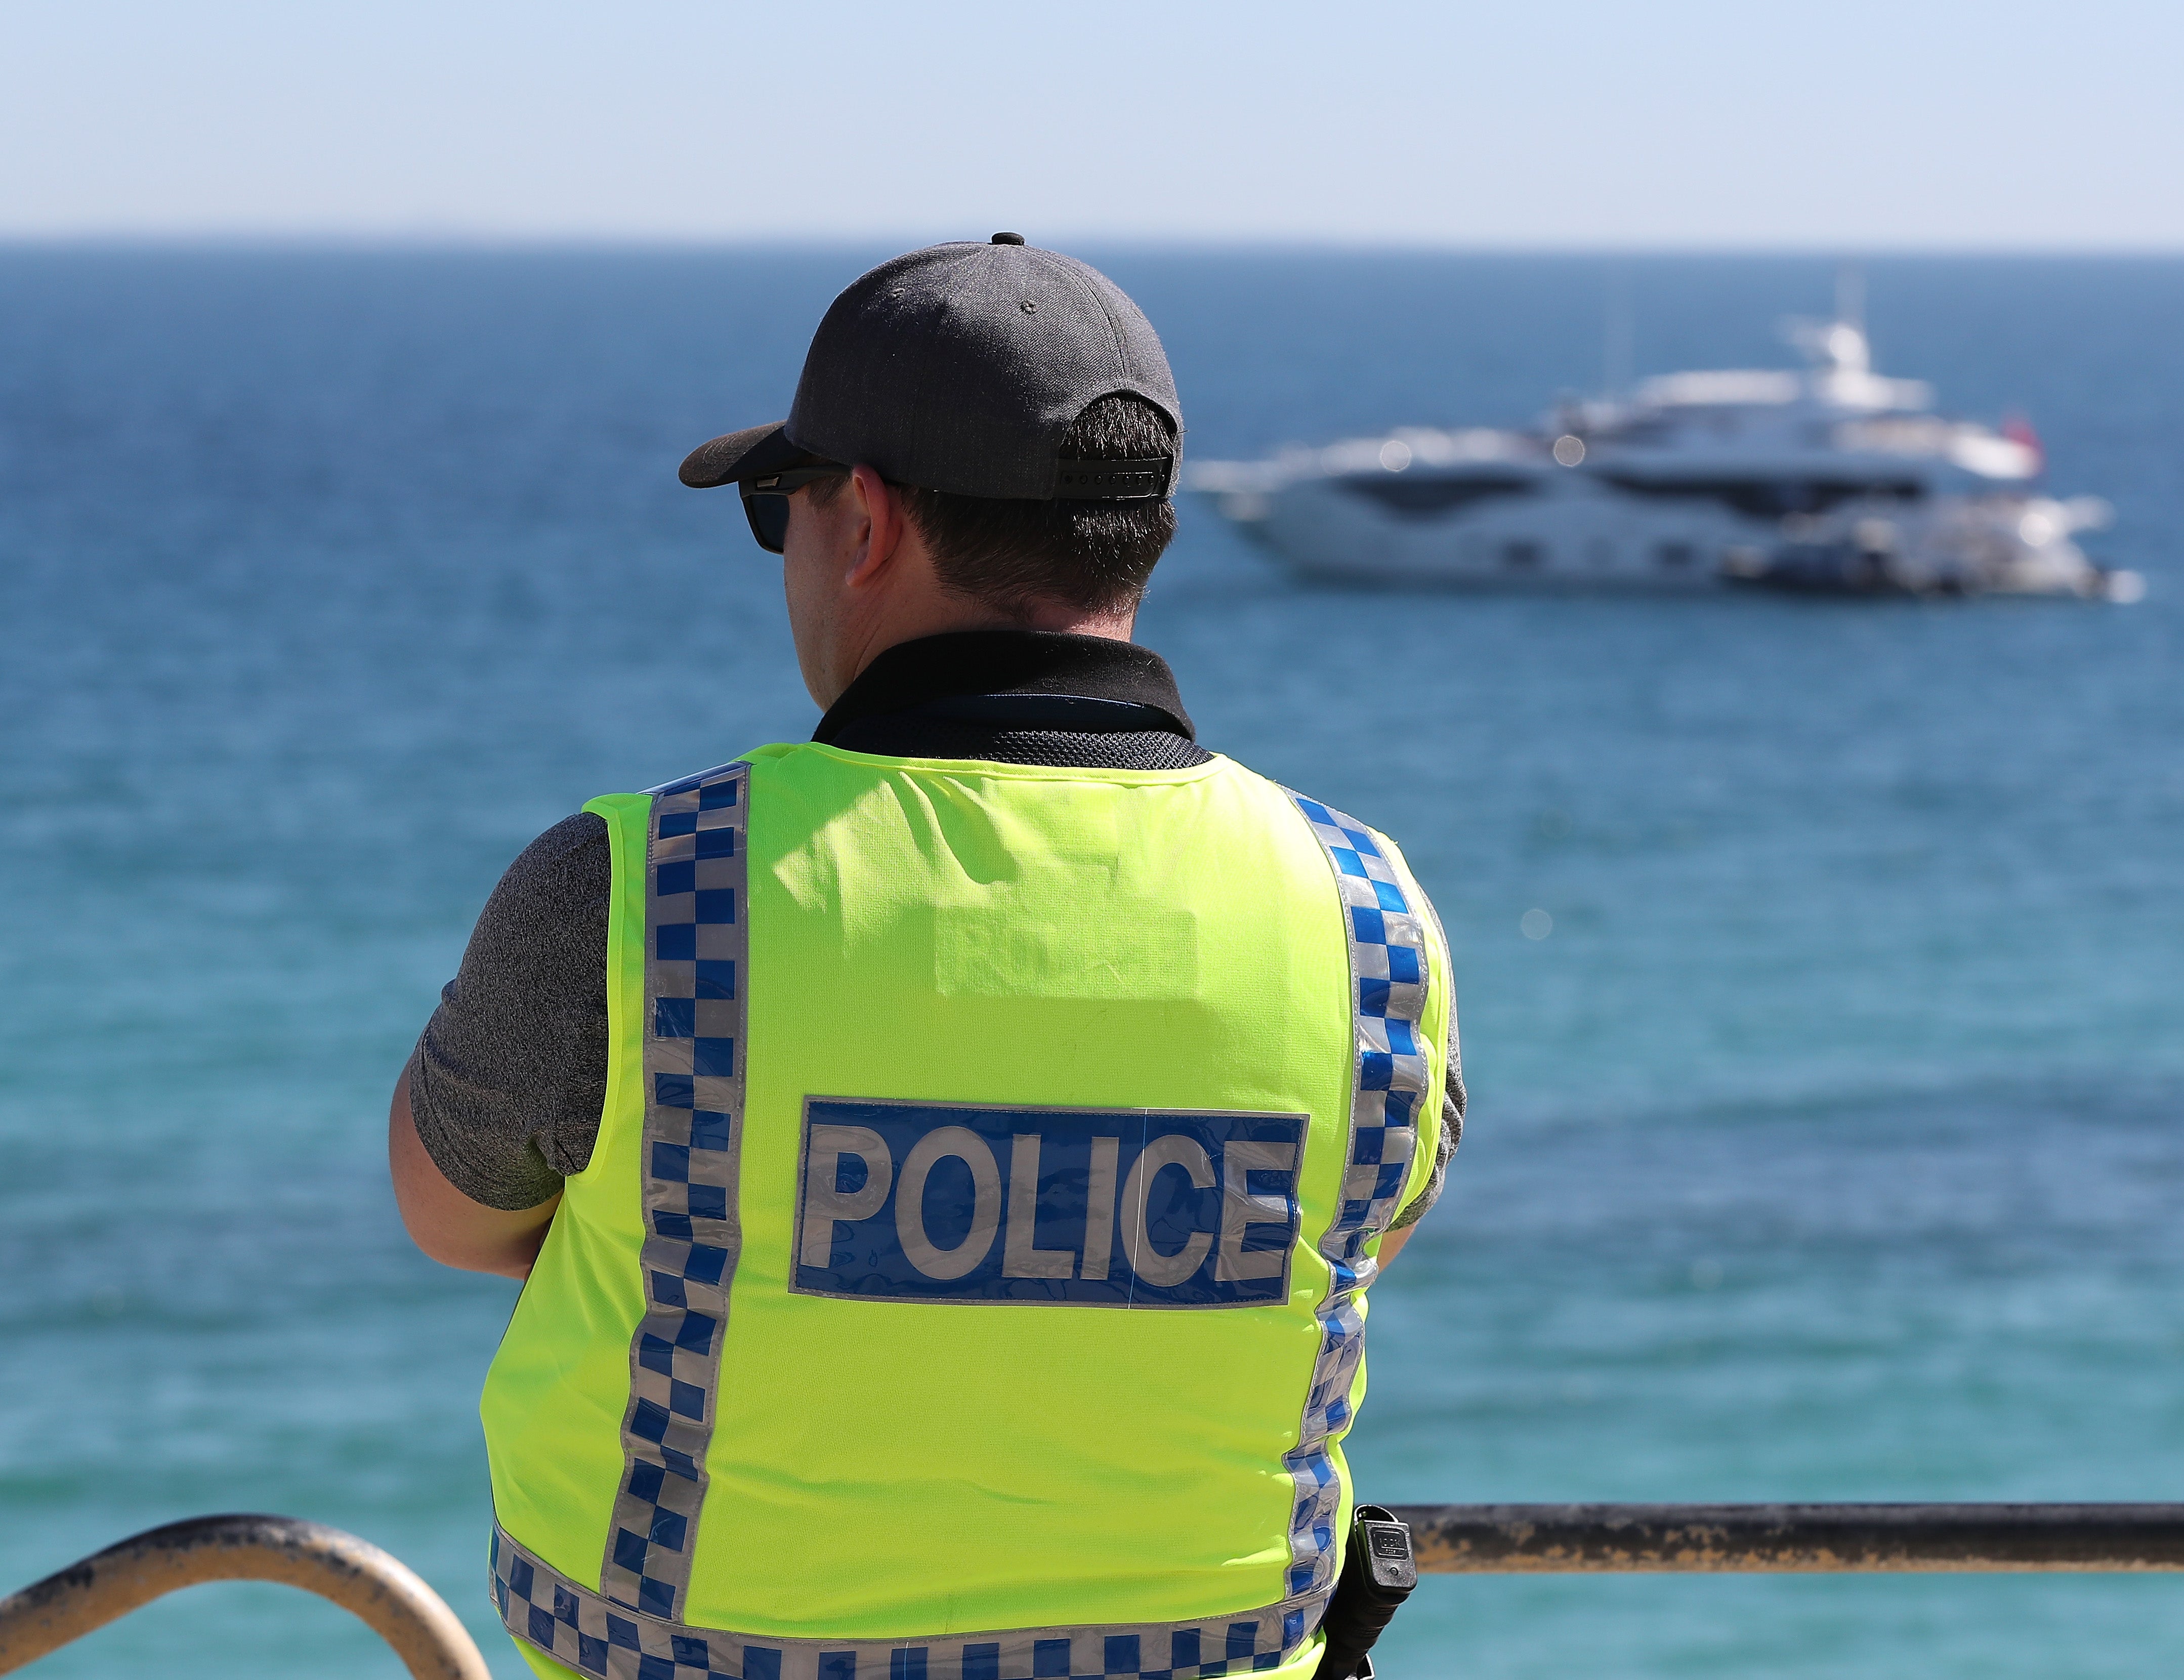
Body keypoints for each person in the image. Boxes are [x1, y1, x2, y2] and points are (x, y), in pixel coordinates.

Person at [388, 235, 1466, 1680]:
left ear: (867, 525)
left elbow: (455, 1218)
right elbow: (1354, 1241)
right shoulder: (1364, 917)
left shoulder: (643, 888)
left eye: (783, 510)